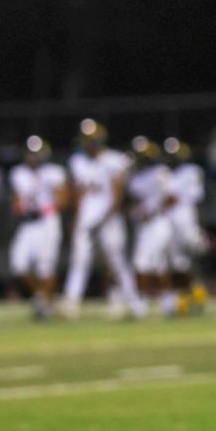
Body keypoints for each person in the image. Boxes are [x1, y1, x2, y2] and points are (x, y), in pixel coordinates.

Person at [60, 119, 146, 319]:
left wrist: (104, 217)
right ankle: (71, 301)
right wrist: (77, 220)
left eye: (92, 139)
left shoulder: (113, 160)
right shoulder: (77, 161)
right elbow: (77, 194)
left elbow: (117, 195)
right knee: (79, 259)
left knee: (115, 261)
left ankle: (133, 303)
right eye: (86, 140)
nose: (89, 144)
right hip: (86, 219)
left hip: (109, 219)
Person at [8, 136, 68, 320]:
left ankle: (43, 304)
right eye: (30, 153)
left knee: (45, 267)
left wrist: (43, 209)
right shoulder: (18, 173)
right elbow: (16, 199)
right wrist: (19, 207)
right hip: (28, 223)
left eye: (36, 153)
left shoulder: (54, 172)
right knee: (18, 264)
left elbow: (62, 199)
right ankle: (43, 298)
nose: (33, 157)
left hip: (47, 222)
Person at [126, 137, 177, 316]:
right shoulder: (134, 177)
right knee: (159, 266)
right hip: (144, 226)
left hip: (159, 224)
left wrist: (152, 211)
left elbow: (172, 198)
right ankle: (168, 302)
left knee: (140, 263)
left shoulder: (160, 173)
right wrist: (137, 212)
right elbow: (133, 202)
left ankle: (140, 304)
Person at [163, 137, 209, 314]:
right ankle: (184, 298)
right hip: (170, 224)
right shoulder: (164, 174)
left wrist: (201, 225)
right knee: (177, 264)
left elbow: (197, 197)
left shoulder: (191, 171)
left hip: (188, 222)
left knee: (196, 256)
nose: (172, 158)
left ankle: (198, 289)